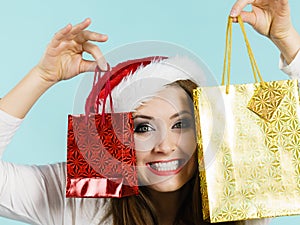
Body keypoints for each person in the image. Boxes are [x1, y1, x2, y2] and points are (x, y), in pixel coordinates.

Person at [0, 1, 299, 225]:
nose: (166, 145)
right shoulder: (80, 203)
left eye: (181, 124)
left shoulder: (241, 186)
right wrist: (43, 76)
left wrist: (288, 42)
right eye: (142, 128)